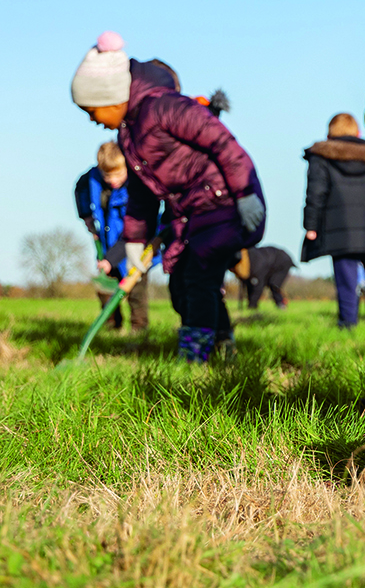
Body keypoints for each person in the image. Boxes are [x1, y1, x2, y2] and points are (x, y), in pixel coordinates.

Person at [69, 31, 266, 363]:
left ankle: (194, 358)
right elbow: (143, 193)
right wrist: (134, 239)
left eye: (92, 110)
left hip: (222, 203)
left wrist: (245, 193)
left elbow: (222, 142)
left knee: (199, 278)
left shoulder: (165, 107)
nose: (92, 119)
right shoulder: (129, 135)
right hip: (188, 215)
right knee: (180, 287)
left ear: (111, 98)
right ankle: (221, 343)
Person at [303, 113, 365, 328]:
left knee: (346, 281)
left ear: (330, 133)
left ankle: (347, 324)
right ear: (358, 132)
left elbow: (316, 192)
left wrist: (311, 226)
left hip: (339, 227)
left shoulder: (322, 154)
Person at [75, 142, 150, 332]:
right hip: (107, 242)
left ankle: (139, 330)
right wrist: (86, 216)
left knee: (136, 291)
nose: (112, 180)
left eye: (118, 174)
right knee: (105, 289)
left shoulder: (136, 187)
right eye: (107, 175)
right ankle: (111, 328)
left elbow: (131, 232)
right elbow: (80, 188)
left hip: (135, 246)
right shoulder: (93, 178)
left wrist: (110, 259)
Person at [232, 245, 294, 310]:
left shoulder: (256, 265)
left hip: (281, 262)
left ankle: (280, 305)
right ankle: (253, 307)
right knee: (252, 285)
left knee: (274, 284)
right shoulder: (248, 260)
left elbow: (258, 287)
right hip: (268, 262)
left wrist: (252, 305)